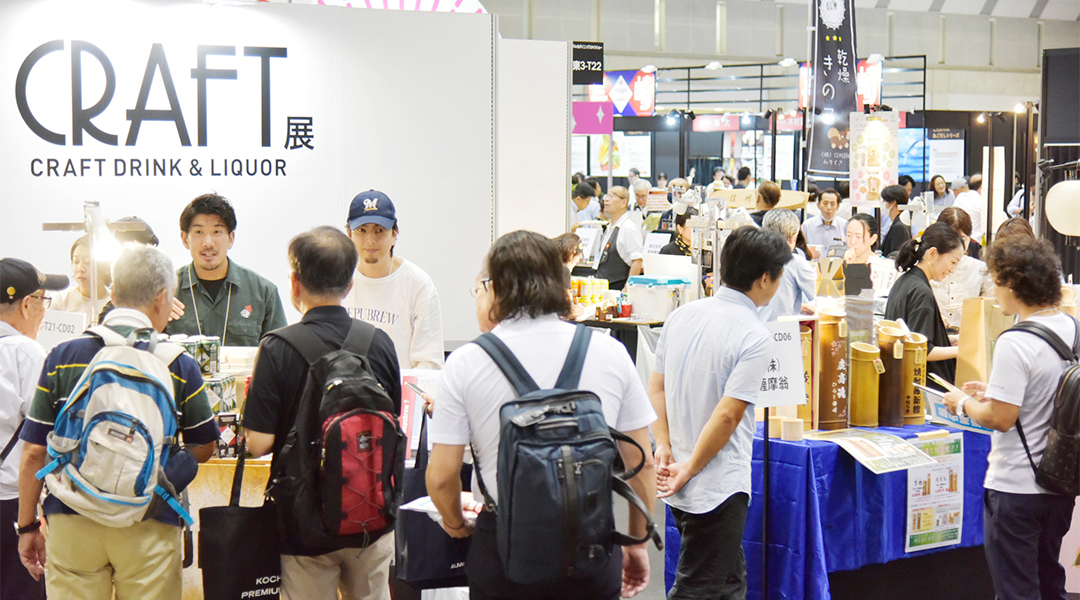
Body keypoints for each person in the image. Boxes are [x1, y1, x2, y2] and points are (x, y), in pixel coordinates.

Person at [425, 230, 657, 600]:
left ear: (496, 287)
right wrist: (637, 543)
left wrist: (456, 524)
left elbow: (440, 476)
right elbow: (641, 463)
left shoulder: (468, 362)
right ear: (560, 282)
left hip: (503, 552)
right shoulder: (608, 351)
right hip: (592, 549)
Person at [17, 244, 218, 600]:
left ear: (111, 293)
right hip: (149, 520)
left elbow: (34, 450)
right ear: (162, 298)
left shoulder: (63, 355)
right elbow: (205, 444)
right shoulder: (179, 363)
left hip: (71, 515)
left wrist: (28, 525)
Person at [243, 227, 402, 600]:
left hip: (304, 524)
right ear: (349, 284)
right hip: (371, 513)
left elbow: (258, 445)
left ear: (295, 283)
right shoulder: (378, 342)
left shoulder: (276, 347)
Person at [649, 226, 792, 600]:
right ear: (765, 279)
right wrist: (690, 468)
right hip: (714, 483)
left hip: (681, 469)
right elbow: (728, 415)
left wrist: (663, 445)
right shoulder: (754, 334)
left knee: (729, 582)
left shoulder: (683, 314)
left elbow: (656, 387)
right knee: (698, 588)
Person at [942, 236, 1075, 600]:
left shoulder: (1015, 341)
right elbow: (1052, 391)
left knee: (1016, 590)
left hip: (1017, 486)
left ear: (1014, 284)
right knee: (1050, 582)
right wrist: (997, 389)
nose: (994, 290)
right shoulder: (1071, 328)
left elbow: (999, 419)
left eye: (997, 281)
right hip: (1060, 482)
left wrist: (962, 403)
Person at [0, 259, 67, 600]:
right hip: (11, 502)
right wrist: (29, 524)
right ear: (27, 304)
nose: (44, 310)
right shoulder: (26, 354)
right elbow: (40, 443)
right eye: (43, 300)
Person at [166, 193, 287, 347]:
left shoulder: (263, 292)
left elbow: (280, 354)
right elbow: (142, 352)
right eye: (199, 232)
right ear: (185, 239)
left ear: (231, 238)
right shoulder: (164, 291)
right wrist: (157, 315)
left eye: (217, 232)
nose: (208, 243)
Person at [343, 190, 444, 370]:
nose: (370, 240)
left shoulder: (417, 283)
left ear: (395, 234)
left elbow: (430, 363)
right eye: (361, 230)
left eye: (379, 230)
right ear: (349, 234)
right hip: (345, 394)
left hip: (397, 395)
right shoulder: (337, 279)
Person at [884, 222, 964, 390]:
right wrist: (963, 351)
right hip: (921, 391)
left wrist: (950, 340)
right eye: (953, 262)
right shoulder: (921, 292)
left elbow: (913, 337)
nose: (952, 269)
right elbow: (922, 350)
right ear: (933, 254)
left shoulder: (905, 281)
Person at [931, 207, 994, 327]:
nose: (956, 244)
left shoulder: (980, 269)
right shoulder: (928, 266)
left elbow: (990, 310)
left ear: (970, 238)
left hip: (967, 336)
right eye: (951, 238)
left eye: (962, 239)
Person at [762, 210, 816, 319]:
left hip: (754, 328)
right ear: (792, 238)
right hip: (784, 332)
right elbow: (821, 293)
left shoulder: (751, 258)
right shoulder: (795, 262)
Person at [51, 235, 109, 327]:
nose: (80, 269)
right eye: (76, 261)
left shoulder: (115, 303)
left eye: (88, 262)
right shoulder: (61, 300)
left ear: (106, 267)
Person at [596, 186, 644, 290]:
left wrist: (626, 289)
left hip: (618, 289)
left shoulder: (628, 228)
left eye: (612, 196)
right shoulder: (609, 227)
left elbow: (637, 261)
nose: (607, 199)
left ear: (624, 202)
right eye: (606, 196)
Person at [843, 213, 898, 295]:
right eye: (849, 235)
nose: (852, 242)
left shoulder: (884, 266)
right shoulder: (842, 263)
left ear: (873, 239)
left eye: (858, 236)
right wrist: (846, 266)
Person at [801, 188, 847, 258]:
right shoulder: (807, 226)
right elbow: (801, 250)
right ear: (818, 205)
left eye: (832, 204)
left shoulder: (845, 226)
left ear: (838, 207)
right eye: (825, 203)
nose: (829, 208)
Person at [879, 185, 912, 258]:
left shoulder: (899, 227)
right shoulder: (899, 222)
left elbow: (896, 255)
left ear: (893, 202)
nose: (883, 204)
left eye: (885, 201)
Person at [954, 174, 986, 243]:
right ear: (982, 187)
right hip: (973, 242)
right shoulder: (981, 203)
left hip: (956, 240)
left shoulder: (960, 197)